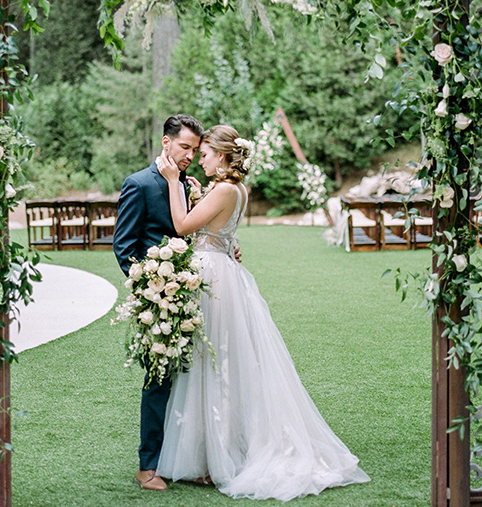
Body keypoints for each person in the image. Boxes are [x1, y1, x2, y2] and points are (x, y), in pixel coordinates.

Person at [155, 125, 370, 501]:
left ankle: (215, 457)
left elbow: (182, 225)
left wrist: (174, 180)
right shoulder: (238, 189)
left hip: (213, 277)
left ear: (222, 155)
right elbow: (221, 233)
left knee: (214, 363)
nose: (199, 158)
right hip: (224, 270)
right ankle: (213, 452)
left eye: (204, 153)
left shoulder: (223, 189)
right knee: (220, 362)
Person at [113, 114, 203, 492]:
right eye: (185, 148)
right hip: (158, 301)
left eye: (195, 151)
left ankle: (190, 459)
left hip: (194, 294)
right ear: (165, 143)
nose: (190, 157)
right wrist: (152, 287)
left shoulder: (190, 185)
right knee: (159, 382)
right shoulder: (139, 184)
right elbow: (124, 247)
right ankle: (147, 465)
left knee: (197, 381)